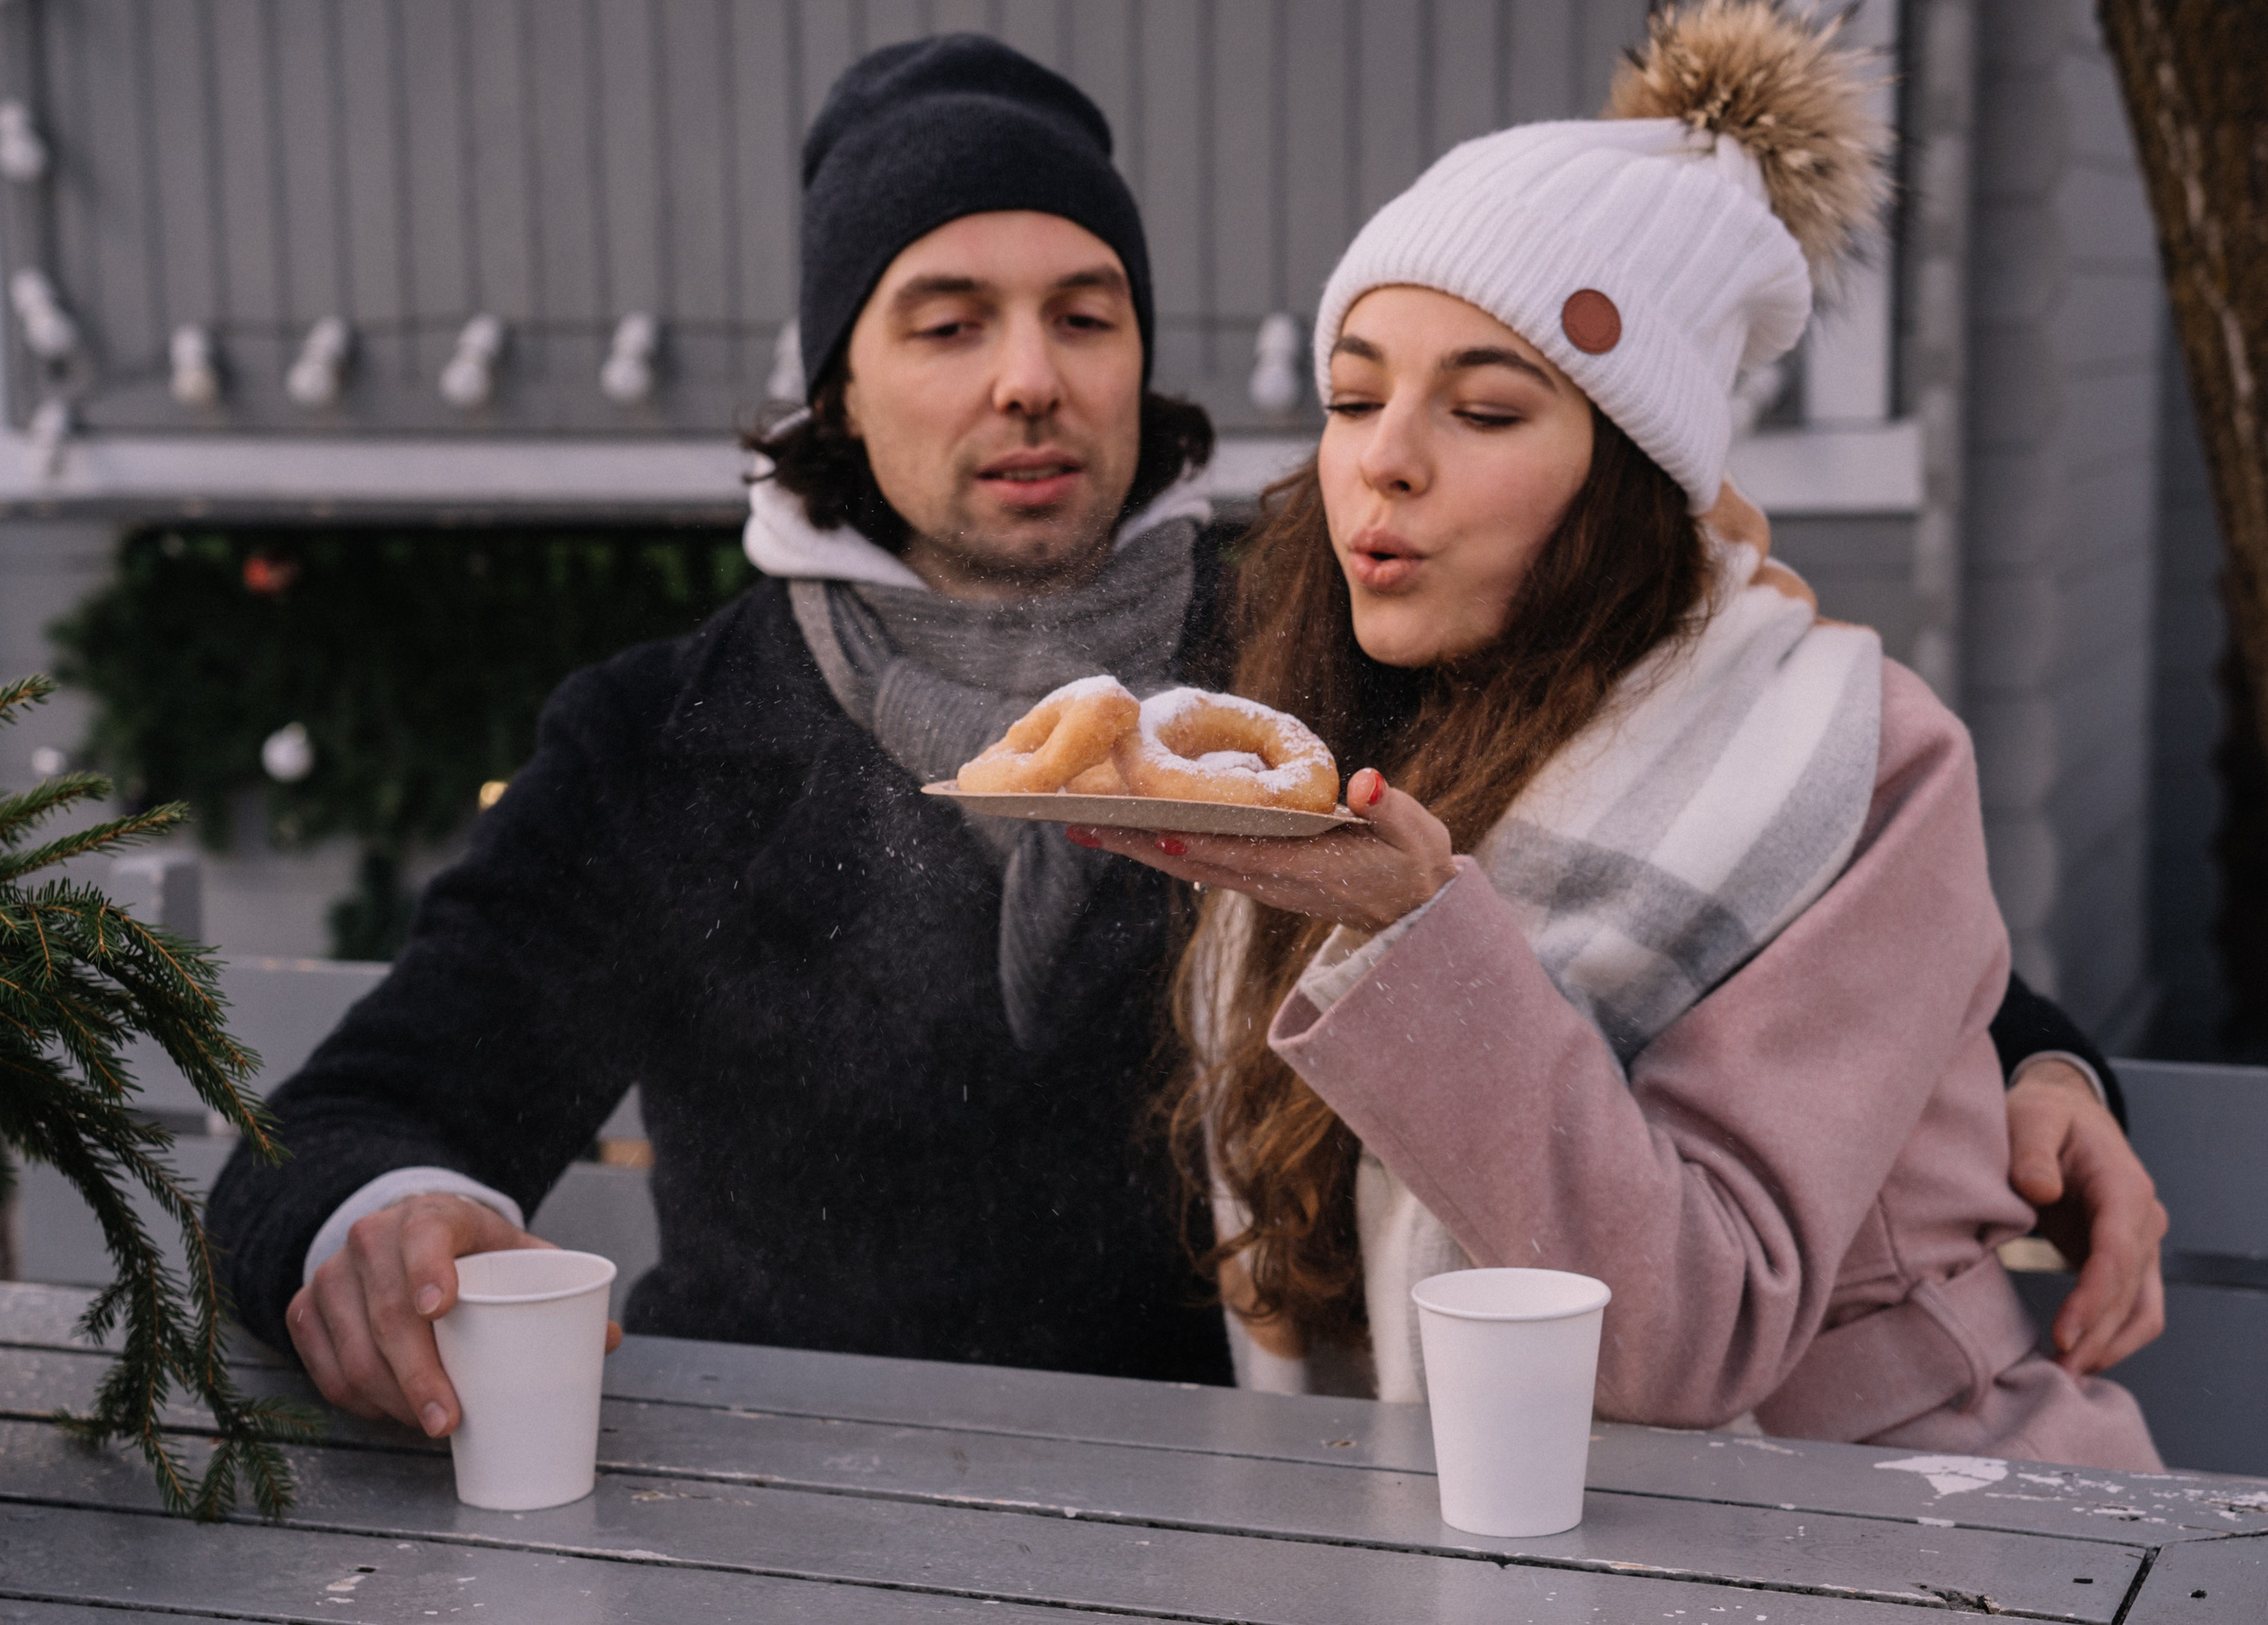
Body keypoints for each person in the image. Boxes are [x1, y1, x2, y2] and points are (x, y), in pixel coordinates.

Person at [207, 30, 2160, 1445]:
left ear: (1145, 355)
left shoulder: (1305, 651)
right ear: (838, 383)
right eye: (945, 318)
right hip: (793, 1498)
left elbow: (1708, 846)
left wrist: (2034, 1058)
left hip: (1259, 1500)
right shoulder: (663, 734)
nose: (1032, 376)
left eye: (1084, 308)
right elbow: (371, 1104)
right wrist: (388, 1213)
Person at [1074, 3, 2159, 1466]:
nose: (1382, 460)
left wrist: (1414, 934)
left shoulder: (1839, 748)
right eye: (1353, 395)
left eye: (1488, 409)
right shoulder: (1315, 719)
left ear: (1627, 475)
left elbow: (1680, 1341)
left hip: (1900, 1522)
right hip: (1459, 1521)